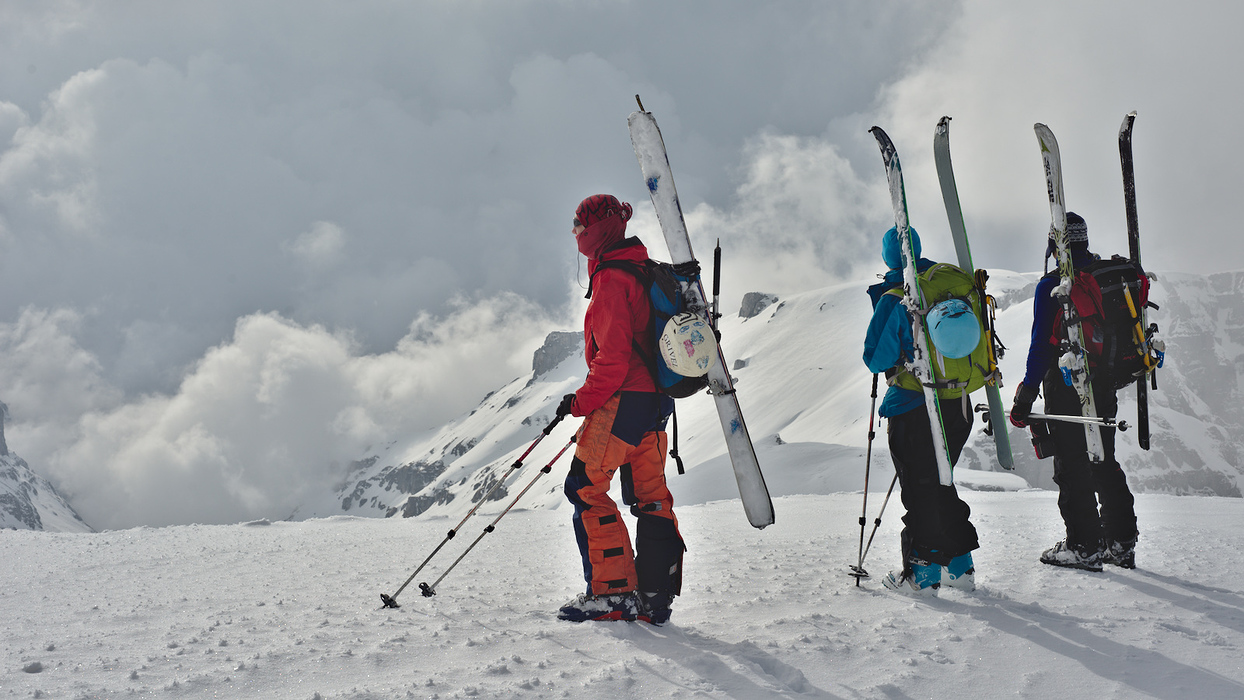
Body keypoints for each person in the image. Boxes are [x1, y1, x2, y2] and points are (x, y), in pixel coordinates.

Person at [554, 193, 685, 624]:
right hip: (656, 403)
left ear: (596, 230)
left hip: (623, 401)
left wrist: (579, 403)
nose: (574, 232)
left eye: (578, 224)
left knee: (586, 487)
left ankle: (612, 595)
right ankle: (654, 596)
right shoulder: (642, 269)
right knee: (651, 498)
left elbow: (610, 362)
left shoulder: (613, 280)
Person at [1009, 212, 1138, 571]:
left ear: (1054, 244)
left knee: (1072, 463)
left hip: (1066, 384)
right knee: (1103, 458)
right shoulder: (1102, 275)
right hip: (1105, 381)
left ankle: (1083, 545)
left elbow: (1040, 348)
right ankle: (1121, 542)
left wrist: (1025, 396)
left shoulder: (1055, 285)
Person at [862, 226, 980, 596]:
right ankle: (960, 565)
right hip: (958, 403)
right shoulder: (953, 284)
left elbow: (875, 358)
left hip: (914, 406)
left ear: (888, 257)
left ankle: (922, 571)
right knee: (940, 482)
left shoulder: (898, 296)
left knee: (919, 488)